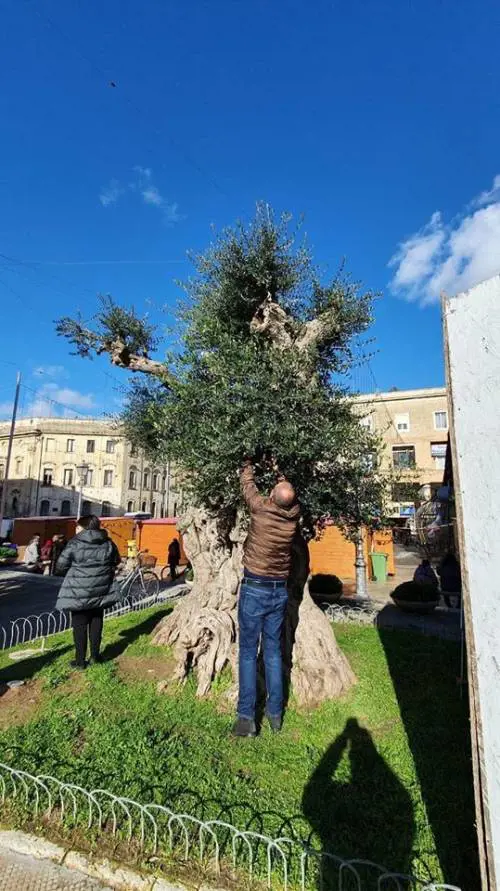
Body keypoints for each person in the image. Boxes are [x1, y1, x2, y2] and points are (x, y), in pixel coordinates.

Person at [233, 458, 300, 738]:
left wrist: (248, 463)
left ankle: (246, 718)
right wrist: (278, 467)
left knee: (248, 653)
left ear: (271, 495)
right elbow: (285, 492)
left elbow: (247, 485)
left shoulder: (261, 508)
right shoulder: (293, 515)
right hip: (278, 591)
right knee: (273, 653)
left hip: (255, 588)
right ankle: (275, 715)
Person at [55, 515, 121, 670]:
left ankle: (80, 661)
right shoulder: (108, 542)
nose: (76, 529)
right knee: (97, 622)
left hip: (78, 591)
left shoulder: (74, 543)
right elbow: (116, 560)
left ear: (83, 527)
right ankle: (95, 657)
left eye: (77, 526)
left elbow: (60, 566)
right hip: (100, 590)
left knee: (79, 625)